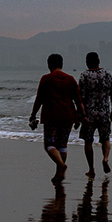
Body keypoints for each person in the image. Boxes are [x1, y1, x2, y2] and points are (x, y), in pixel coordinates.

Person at [29, 53, 85, 184]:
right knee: (62, 145)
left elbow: (39, 99)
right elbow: (78, 101)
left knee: (49, 144)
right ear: (61, 64)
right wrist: (80, 117)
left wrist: (33, 114)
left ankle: (61, 165)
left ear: (49, 65)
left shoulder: (46, 79)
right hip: (68, 117)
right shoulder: (70, 79)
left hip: (51, 117)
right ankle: (59, 172)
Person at [78, 51, 112, 178]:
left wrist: (79, 115)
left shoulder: (84, 75)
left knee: (88, 141)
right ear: (99, 61)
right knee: (105, 138)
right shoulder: (107, 74)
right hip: (104, 112)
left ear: (87, 62)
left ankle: (91, 169)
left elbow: (81, 98)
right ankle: (105, 158)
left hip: (89, 114)